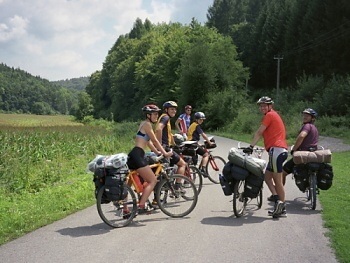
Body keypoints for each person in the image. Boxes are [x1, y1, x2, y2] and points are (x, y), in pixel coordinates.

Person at [127, 104, 172, 214]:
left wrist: (157, 152)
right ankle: (141, 206)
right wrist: (165, 153)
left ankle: (125, 209)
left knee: (129, 183)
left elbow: (147, 141)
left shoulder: (143, 124)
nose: (157, 116)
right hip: (138, 156)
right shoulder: (147, 124)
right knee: (153, 180)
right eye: (155, 114)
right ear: (148, 115)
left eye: (157, 114)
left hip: (134, 155)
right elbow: (155, 141)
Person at [246, 96, 288, 216]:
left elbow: (259, 132)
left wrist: (250, 147)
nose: (262, 108)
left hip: (276, 151)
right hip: (278, 151)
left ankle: (282, 206)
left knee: (277, 180)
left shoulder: (270, 115)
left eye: (264, 105)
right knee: (267, 177)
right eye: (261, 106)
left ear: (270, 106)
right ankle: (277, 199)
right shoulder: (274, 115)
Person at [282, 108, 319, 185]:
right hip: (313, 154)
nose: (305, 117)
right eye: (304, 115)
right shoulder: (314, 128)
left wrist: (294, 149)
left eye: (308, 115)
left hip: (303, 154)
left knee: (283, 172)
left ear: (312, 118)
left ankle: (278, 194)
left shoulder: (307, 126)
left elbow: (302, 136)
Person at [155, 101, 187, 186]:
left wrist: (174, 144)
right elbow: (158, 129)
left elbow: (168, 134)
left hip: (162, 147)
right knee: (182, 164)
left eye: (175, 109)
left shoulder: (165, 118)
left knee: (163, 171)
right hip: (164, 148)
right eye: (172, 109)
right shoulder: (165, 118)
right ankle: (177, 186)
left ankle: (162, 190)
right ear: (166, 110)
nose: (174, 111)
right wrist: (160, 145)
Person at [187, 112, 214, 177]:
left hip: (190, 143)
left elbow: (191, 136)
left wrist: (198, 143)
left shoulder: (192, 125)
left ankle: (195, 169)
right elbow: (203, 135)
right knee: (206, 155)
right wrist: (209, 142)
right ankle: (203, 169)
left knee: (195, 159)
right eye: (200, 119)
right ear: (196, 119)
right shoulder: (197, 126)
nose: (201, 121)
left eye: (202, 119)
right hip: (193, 144)